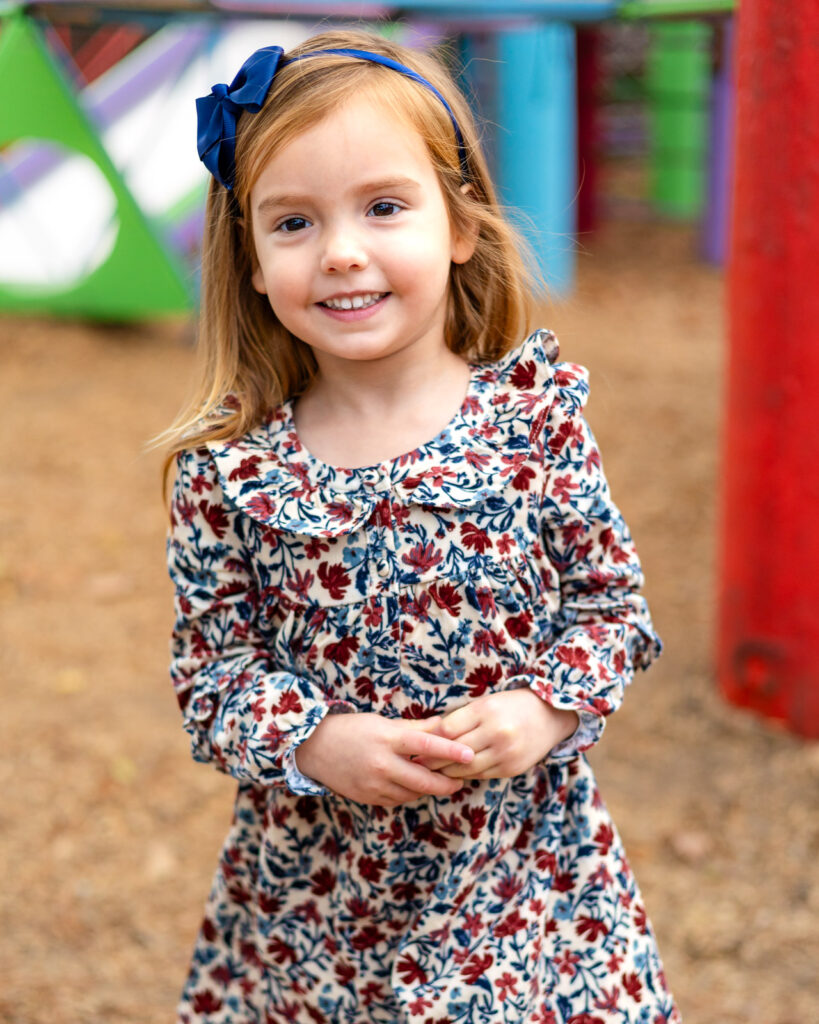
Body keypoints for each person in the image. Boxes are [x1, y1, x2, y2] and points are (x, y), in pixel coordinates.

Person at [161, 28, 680, 1024]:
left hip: (520, 884)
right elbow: (212, 676)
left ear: (459, 224)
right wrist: (315, 740)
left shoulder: (533, 420)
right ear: (255, 263)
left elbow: (610, 607)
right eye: (295, 223)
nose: (343, 251)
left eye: (384, 207)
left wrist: (542, 712)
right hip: (319, 903)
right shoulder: (231, 474)